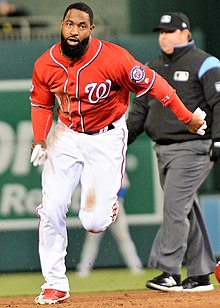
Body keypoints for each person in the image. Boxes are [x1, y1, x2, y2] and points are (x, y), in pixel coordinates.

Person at [29, 3, 205, 304]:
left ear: (90, 29)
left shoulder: (113, 58)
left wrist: (187, 117)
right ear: (61, 25)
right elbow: (42, 104)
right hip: (66, 135)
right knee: (51, 208)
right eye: (70, 24)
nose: (74, 31)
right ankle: (54, 283)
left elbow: (155, 85)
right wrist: (39, 141)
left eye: (81, 26)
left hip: (106, 137)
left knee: (93, 222)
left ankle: (104, 208)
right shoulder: (45, 64)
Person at [127, 12, 220, 292]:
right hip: (164, 149)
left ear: (185, 33)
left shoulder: (205, 62)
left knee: (174, 206)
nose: (164, 36)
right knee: (186, 208)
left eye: (170, 31)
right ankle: (201, 274)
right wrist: (117, 143)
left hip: (193, 147)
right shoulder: (152, 67)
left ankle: (169, 272)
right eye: (161, 32)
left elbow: (218, 103)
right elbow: (139, 112)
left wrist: (218, 138)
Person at [76, 173, 144, 277]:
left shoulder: (115, 165)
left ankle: (136, 267)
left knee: (123, 238)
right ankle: (83, 269)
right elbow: (85, 189)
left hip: (115, 207)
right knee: (92, 240)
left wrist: (114, 202)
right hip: (98, 208)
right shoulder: (92, 168)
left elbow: (124, 186)